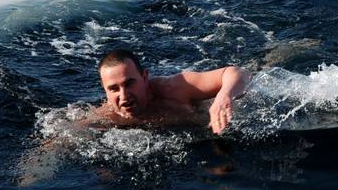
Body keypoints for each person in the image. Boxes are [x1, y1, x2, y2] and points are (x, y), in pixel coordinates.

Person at [96, 49, 249, 134]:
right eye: (114, 89)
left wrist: (224, 96)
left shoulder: (174, 89)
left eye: (129, 84)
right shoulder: (106, 117)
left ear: (145, 78)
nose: (123, 96)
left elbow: (239, 73)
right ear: (105, 90)